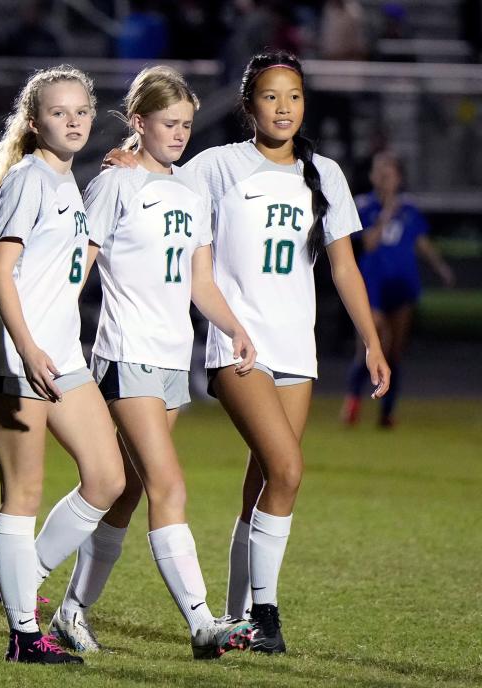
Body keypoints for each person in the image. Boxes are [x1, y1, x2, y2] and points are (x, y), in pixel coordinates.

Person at [103, 49, 390, 654]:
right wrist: (129, 160)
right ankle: (266, 616)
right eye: (270, 96)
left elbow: (343, 267)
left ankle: (234, 619)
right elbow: (159, 179)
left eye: (294, 96)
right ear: (248, 105)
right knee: (287, 470)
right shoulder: (219, 165)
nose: (283, 108)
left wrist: (371, 340)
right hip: (239, 349)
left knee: (264, 483)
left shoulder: (326, 173)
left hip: (297, 352)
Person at [45, 65, 258, 660]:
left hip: (170, 360)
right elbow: (79, 264)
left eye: (188, 125)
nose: (181, 134)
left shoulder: (191, 193)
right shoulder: (115, 184)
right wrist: (48, 329)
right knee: (169, 485)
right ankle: (201, 623)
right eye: (169, 124)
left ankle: (69, 612)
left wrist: (234, 326)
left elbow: (200, 281)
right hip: (125, 353)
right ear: (138, 122)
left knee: (127, 491)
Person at [0, 65, 126, 664]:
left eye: (82, 111)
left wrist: (129, 163)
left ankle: (24, 572)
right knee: (23, 493)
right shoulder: (28, 179)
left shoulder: (70, 185)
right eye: (59, 113)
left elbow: (75, 259)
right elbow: (0, 272)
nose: (74, 121)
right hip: (19, 354)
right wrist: (28, 346)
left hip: (62, 354)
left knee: (108, 478)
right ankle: (23, 635)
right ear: (35, 123)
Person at [342, 151, 454, 427]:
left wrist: (440, 267)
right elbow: (367, 244)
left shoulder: (409, 209)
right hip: (372, 286)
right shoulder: (364, 206)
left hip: (402, 285)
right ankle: (353, 400)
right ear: (372, 176)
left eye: (389, 172)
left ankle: (387, 412)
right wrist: (385, 216)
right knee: (371, 343)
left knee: (394, 352)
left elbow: (421, 242)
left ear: (398, 178)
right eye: (379, 171)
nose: (384, 177)